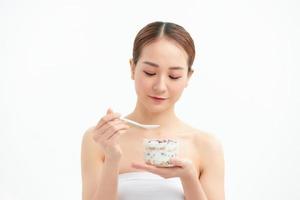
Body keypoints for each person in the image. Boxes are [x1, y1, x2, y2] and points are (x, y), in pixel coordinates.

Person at [81, 21, 225, 200]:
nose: (160, 87)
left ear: (188, 77)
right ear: (133, 68)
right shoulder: (100, 140)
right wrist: (112, 159)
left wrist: (188, 178)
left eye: (174, 76)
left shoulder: (206, 146)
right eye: (150, 72)